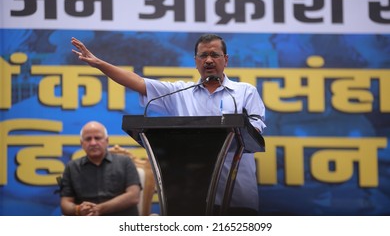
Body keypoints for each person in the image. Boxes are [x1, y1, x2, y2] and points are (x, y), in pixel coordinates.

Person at [71, 33, 266, 215]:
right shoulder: (179, 93)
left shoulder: (244, 92)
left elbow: (254, 132)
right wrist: (99, 64)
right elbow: (137, 82)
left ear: (226, 59)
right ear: (196, 61)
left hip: (237, 192)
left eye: (214, 55)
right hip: (191, 194)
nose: (208, 60)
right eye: (203, 55)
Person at [60, 121, 141, 216]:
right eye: (88, 139)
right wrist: (78, 209)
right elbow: (65, 203)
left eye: (97, 138)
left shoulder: (125, 162)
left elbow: (134, 196)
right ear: (82, 143)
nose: (93, 143)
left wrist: (99, 209)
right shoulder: (71, 167)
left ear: (107, 141)